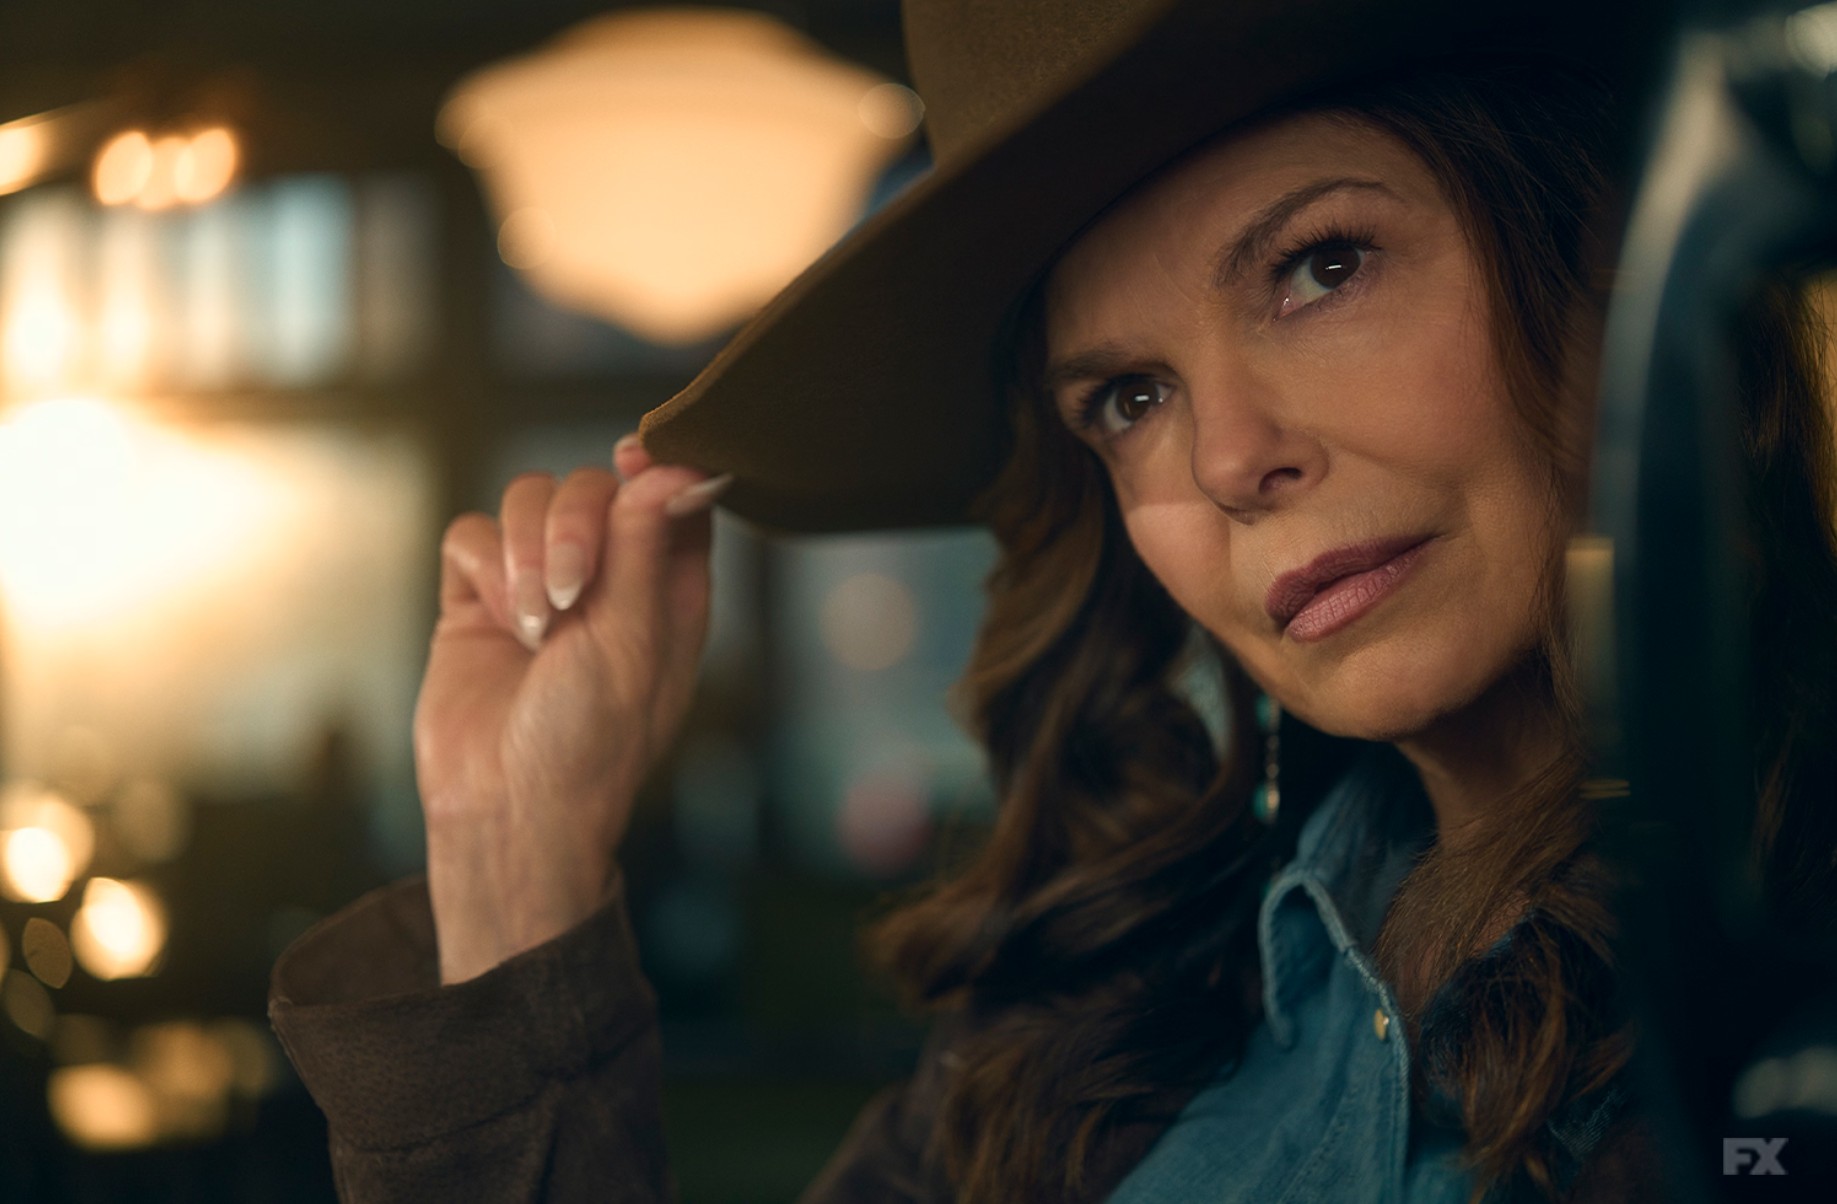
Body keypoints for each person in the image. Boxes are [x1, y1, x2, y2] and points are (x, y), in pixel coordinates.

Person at [269, 1, 1837, 1201]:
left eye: (1319, 267)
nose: (1228, 458)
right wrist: (510, 850)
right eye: (1129, 397)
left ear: (1593, 264)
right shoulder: (1078, 1040)